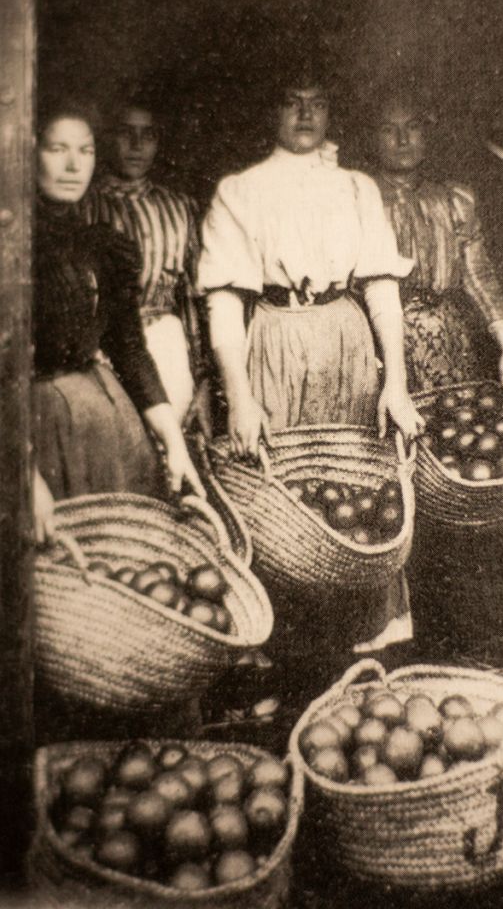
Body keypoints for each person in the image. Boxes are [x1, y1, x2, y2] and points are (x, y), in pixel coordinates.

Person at [197, 73, 423, 660]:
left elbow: (380, 287)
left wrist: (395, 383)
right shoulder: (239, 191)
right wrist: (240, 396)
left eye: (317, 104)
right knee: (281, 488)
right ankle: (286, 653)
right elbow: (224, 300)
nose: (305, 115)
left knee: (356, 485)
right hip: (271, 335)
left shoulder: (356, 188)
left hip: (345, 337)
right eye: (292, 102)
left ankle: (364, 647)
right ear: (272, 112)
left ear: (330, 114)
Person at [32, 102, 204, 546]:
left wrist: (173, 440)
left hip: (105, 415)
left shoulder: (103, 245)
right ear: (30, 153)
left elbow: (128, 346)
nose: (73, 165)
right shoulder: (15, 242)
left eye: (85, 151)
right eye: (57, 149)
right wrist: (21, 476)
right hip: (34, 428)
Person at [372, 90, 503, 394]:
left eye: (413, 127)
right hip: (381, 346)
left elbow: (478, 276)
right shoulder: (359, 199)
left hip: (449, 341)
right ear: (372, 139)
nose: (403, 139)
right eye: (389, 130)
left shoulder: (453, 199)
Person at [82, 97, 205, 425]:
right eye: (126, 133)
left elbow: (193, 300)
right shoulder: (84, 205)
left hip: (166, 345)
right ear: (107, 136)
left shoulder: (180, 208)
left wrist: (203, 380)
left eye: (148, 135)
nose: (136, 145)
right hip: (102, 351)